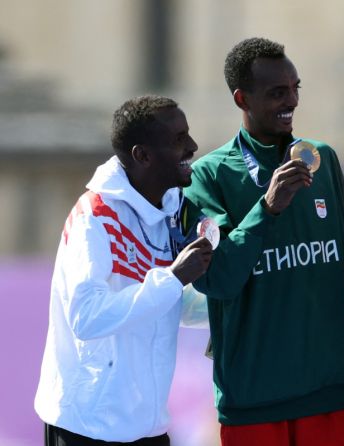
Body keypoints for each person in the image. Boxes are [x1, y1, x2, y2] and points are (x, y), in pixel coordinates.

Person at [182, 37, 344, 446]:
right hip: (254, 401)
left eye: (295, 88)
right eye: (277, 93)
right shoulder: (208, 176)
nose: (291, 100)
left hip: (331, 393)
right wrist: (266, 209)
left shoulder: (321, 159)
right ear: (242, 98)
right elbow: (218, 280)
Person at [34, 95, 213, 445]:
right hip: (87, 428)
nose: (192, 147)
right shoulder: (94, 218)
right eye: (178, 140)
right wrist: (174, 276)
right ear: (142, 155)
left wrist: (229, 304)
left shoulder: (172, 212)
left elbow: (165, 304)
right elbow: (86, 317)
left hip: (149, 428)